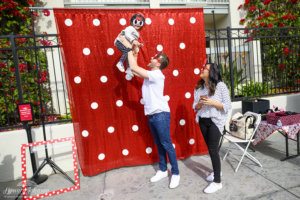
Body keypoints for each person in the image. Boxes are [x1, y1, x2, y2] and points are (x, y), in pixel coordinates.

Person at [117, 36, 180, 189]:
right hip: (152, 114)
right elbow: (135, 68)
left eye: (154, 57)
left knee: (166, 144)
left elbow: (133, 68)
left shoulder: (157, 75)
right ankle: (163, 170)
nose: (151, 58)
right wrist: (134, 50)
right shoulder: (150, 74)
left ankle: (176, 173)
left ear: (158, 63)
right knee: (159, 144)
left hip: (161, 114)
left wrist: (128, 47)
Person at [193, 62, 231, 193]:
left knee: (213, 149)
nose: (202, 69)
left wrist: (212, 102)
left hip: (216, 121)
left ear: (212, 72)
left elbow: (227, 106)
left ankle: (217, 182)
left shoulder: (221, 86)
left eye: (205, 68)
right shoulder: (199, 87)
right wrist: (199, 104)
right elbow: (194, 106)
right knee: (210, 150)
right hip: (203, 120)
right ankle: (217, 173)